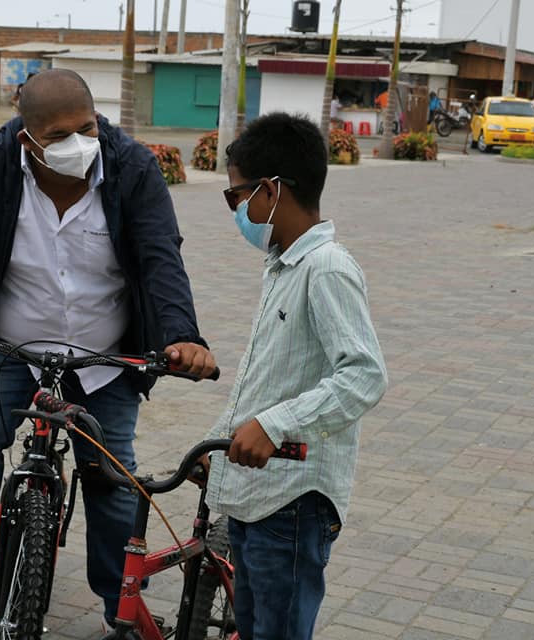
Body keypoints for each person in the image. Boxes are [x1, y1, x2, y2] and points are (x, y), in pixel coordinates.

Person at [0, 68, 216, 627]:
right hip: (9, 342)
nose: (79, 144)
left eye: (87, 127)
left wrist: (183, 336)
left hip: (104, 355)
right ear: (26, 137)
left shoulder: (131, 166)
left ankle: (119, 606)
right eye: (59, 136)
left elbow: (161, 256)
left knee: (111, 479)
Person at [204, 112, 387, 640]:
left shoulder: (326, 267)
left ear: (271, 191)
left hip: (292, 503)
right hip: (260, 494)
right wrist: (221, 447)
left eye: (236, 196)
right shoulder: (285, 264)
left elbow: (364, 375)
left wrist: (275, 426)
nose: (236, 209)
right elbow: (271, 379)